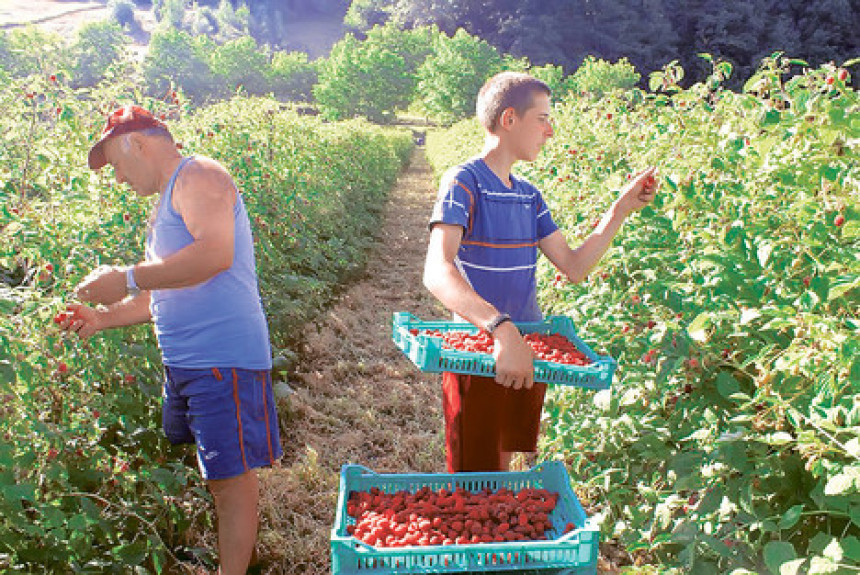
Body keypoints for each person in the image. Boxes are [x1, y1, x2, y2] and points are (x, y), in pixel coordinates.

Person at [59, 105, 282, 574]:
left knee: (230, 479)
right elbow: (164, 289)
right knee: (218, 474)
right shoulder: (167, 200)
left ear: (133, 143)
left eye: (116, 165)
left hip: (221, 358)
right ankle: (239, 560)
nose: (118, 178)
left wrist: (127, 277)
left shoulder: (198, 174)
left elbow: (215, 255)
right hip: (189, 362)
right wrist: (103, 318)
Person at [423, 71, 658, 473]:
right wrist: (500, 329)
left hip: (524, 349)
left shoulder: (529, 195)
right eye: (543, 118)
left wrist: (619, 211)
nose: (549, 131)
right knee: (475, 476)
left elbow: (574, 266)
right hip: (480, 355)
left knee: (503, 464)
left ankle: (499, 534)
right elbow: (437, 270)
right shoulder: (463, 182)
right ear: (509, 119)